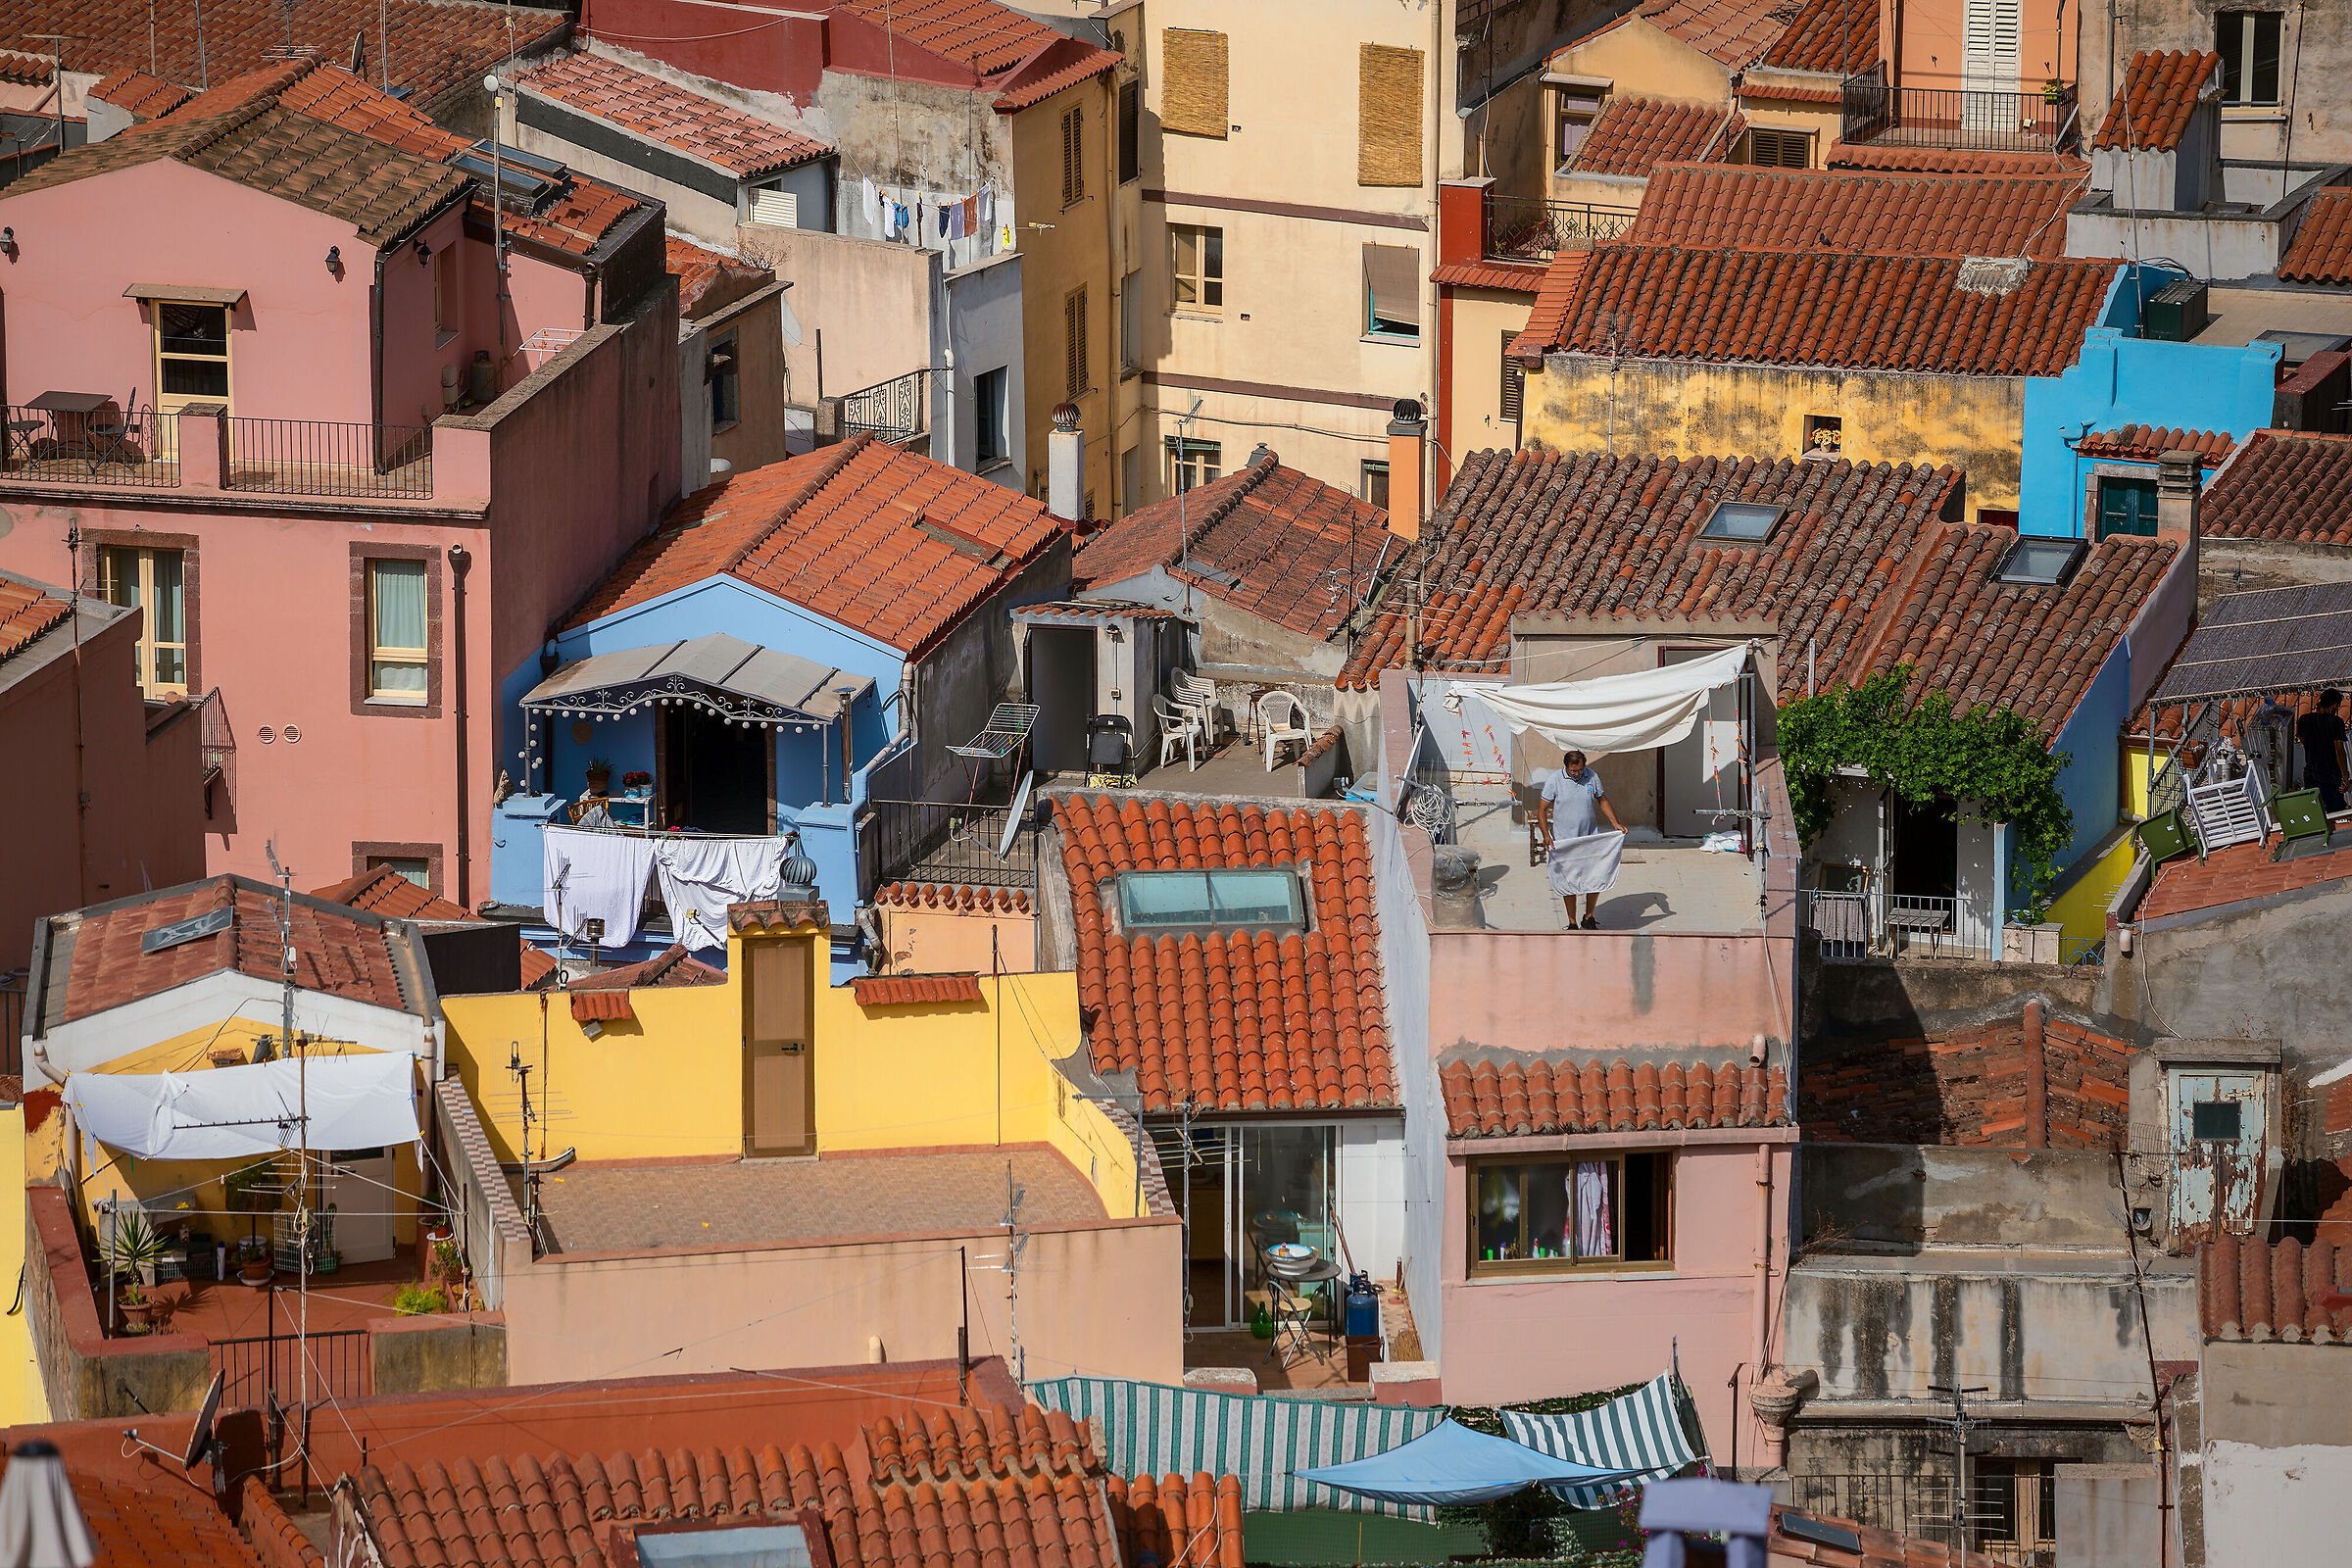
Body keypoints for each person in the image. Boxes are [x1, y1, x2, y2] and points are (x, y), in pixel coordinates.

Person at [1539, 751, 1626, 929]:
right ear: (1567, 767)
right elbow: (1542, 809)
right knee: (1568, 880)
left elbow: (1602, 799)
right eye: (1573, 771)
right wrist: (1546, 835)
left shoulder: (1592, 776)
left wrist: (1615, 823)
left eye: (1580, 770)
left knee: (1594, 876)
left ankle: (1589, 916)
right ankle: (1572, 922)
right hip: (1565, 841)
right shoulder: (1555, 780)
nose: (1577, 774)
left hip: (1589, 838)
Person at [2299, 690, 2349, 813]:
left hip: (2311, 773)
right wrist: (2345, 776)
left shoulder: (2304, 720)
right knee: (2336, 810)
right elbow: (2339, 750)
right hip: (2331, 775)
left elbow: (2302, 740)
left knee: (2316, 810)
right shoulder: (2336, 722)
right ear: (2334, 705)